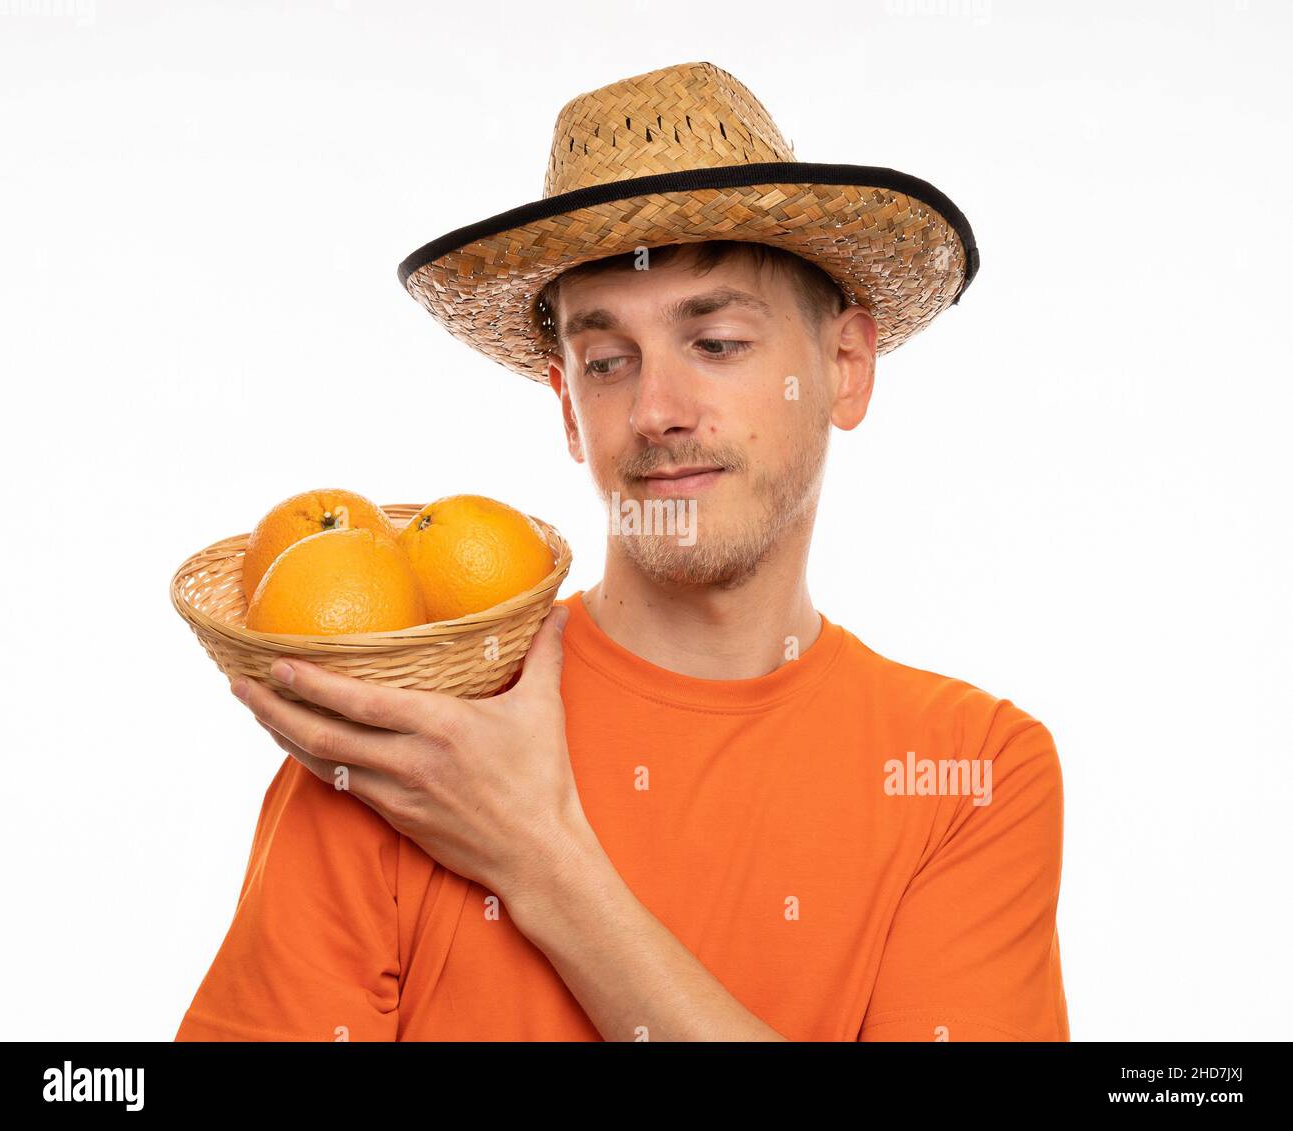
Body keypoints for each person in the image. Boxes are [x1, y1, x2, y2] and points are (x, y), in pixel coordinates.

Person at [176, 60, 1068, 1042]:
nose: (655, 412)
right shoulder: (407, 742)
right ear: (567, 406)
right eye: (606, 363)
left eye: (716, 343)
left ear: (843, 368)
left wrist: (536, 855)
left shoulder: (969, 771)